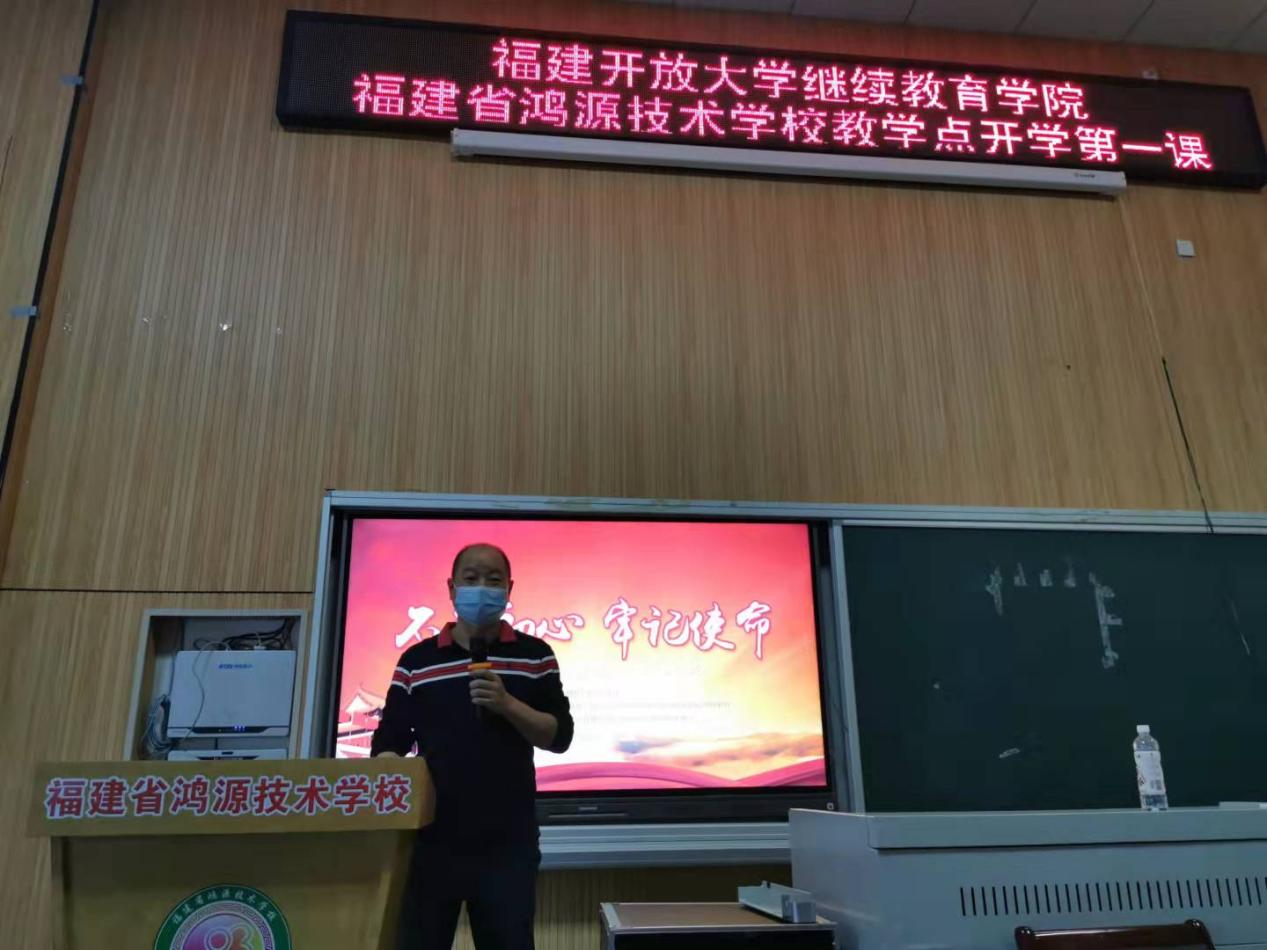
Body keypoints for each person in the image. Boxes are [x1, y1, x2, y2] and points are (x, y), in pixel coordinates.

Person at [372, 542, 573, 950]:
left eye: (493, 580)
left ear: (509, 589)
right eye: (471, 578)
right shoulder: (416, 662)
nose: (482, 588)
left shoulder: (536, 656)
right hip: (430, 841)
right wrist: (388, 775)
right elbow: (388, 744)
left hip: (507, 844)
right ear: (452, 588)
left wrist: (507, 704)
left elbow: (559, 737)